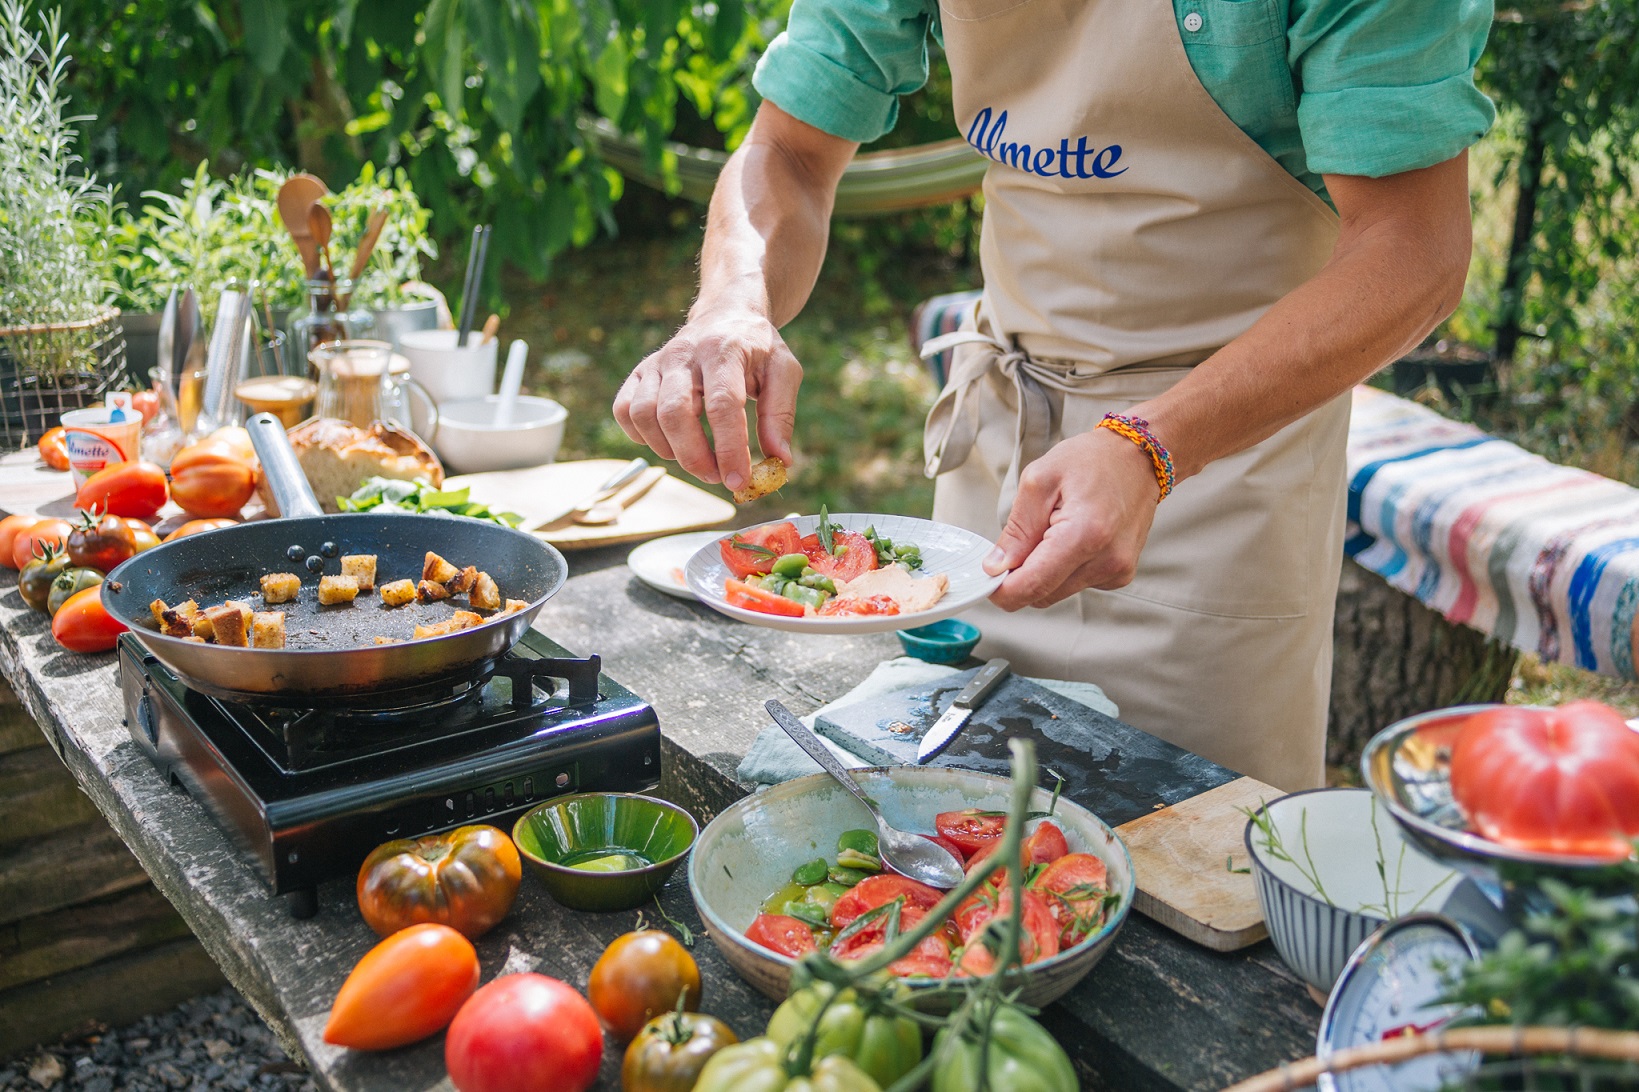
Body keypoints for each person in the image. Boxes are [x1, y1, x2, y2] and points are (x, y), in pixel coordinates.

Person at [614, 0, 1496, 791]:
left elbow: (1412, 252)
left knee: (1188, 853)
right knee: (946, 813)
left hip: (1220, 468)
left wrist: (1150, 446)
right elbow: (791, 151)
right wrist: (732, 300)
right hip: (997, 449)